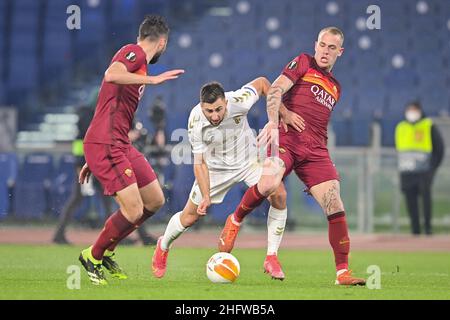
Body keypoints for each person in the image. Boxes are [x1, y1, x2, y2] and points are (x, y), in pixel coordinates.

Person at [218, 26, 366, 286]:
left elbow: (318, 121)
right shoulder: (303, 62)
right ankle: (235, 219)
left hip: (316, 150)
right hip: (286, 138)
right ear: (315, 44)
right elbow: (275, 90)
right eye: (322, 45)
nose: (325, 51)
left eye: (332, 48)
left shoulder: (336, 87)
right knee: (268, 184)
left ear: (340, 52)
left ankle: (342, 272)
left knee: (336, 205)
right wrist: (274, 123)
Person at [152, 77, 299, 280]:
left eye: (218, 109)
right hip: (216, 169)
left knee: (279, 193)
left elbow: (265, 84)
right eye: (209, 111)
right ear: (202, 107)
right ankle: (163, 245)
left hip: (249, 161)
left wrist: (281, 115)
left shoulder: (239, 99)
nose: (214, 115)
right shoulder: (196, 120)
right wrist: (205, 196)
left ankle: (271, 256)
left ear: (226, 103)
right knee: (189, 217)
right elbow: (200, 162)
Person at [77, 14, 184, 285]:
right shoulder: (133, 52)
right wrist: (154, 81)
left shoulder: (138, 65)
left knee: (155, 201)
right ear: (162, 42)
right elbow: (110, 74)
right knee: (134, 210)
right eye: (165, 45)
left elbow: (107, 102)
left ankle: (108, 248)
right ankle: (93, 255)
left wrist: (94, 157)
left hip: (118, 143)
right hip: (107, 143)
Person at [53, 105, 112, 245]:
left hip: (93, 164)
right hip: (90, 165)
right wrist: (80, 165)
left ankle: (59, 233)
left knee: (103, 199)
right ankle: (59, 233)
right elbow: (84, 143)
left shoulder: (87, 120)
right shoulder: (89, 120)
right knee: (99, 199)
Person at [395, 102, 444, 235]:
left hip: (424, 171)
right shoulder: (401, 127)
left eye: (414, 110)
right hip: (407, 171)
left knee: (426, 200)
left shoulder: (428, 125)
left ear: (420, 111)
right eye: (409, 109)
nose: (411, 112)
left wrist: (432, 169)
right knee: (410, 202)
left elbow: (439, 149)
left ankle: (428, 229)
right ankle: (415, 231)